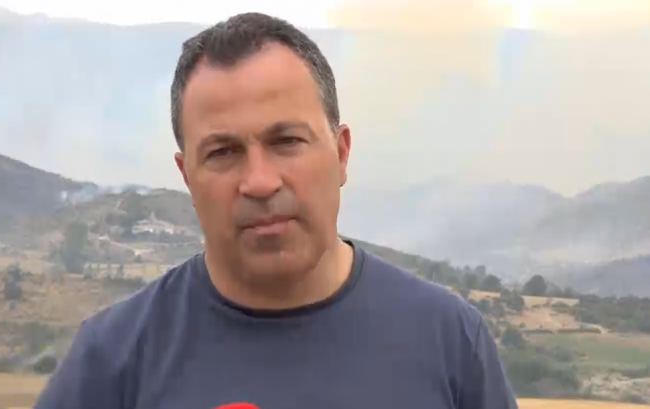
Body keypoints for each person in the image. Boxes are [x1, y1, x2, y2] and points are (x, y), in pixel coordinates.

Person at [34, 12, 518, 409]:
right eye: (223, 152)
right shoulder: (111, 362)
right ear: (187, 177)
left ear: (341, 152)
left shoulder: (449, 341)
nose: (260, 181)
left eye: (286, 141)